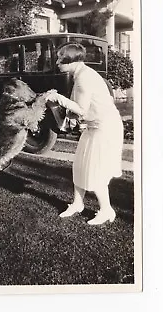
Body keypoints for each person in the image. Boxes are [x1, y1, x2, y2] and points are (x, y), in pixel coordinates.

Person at [46, 42, 124, 225]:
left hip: (105, 128)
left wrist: (58, 98)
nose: (57, 63)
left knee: (96, 170)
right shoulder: (80, 74)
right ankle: (77, 203)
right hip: (94, 127)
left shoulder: (84, 78)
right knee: (80, 166)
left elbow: (81, 109)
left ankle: (106, 210)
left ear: (71, 60)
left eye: (60, 59)